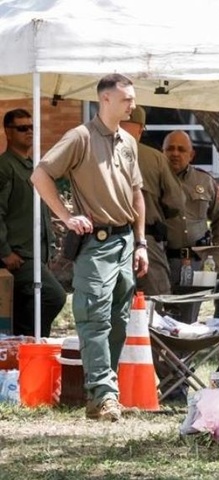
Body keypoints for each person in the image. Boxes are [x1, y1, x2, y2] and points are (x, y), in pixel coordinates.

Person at [31, 73, 148, 422]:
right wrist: (66, 216)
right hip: (95, 243)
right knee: (93, 317)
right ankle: (103, 394)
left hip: (126, 240)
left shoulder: (128, 141)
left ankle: (103, 393)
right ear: (106, 99)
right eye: (127, 98)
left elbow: (136, 194)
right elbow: (40, 175)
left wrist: (140, 242)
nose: (133, 104)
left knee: (118, 320)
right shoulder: (80, 137)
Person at [0, 109, 66, 337]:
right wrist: (5, 251)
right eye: (22, 128)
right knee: (54, 296)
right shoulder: (5, 167)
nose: (29, 132)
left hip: (37, 254)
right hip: (18, 256)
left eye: (31, 127)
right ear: (8, 132)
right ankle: (30, 343)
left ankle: (23, 353)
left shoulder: (32, 167)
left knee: (23, 308)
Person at [119, 106, 185, 296]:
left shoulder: (98, 151)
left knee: (113, 302)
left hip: (105, 240)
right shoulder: (155, 158)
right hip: (145, 240)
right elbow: (176, 202)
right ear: (141, 129)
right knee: (157, 299)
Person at [162, 130, 219, 290]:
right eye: (170, 149)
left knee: (190, 312)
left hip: (197, 262)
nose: (175, 153)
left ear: (191, 155)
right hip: (161, 261)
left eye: (181, 149)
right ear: (162, 152)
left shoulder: (204, 181)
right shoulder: (154, 180)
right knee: (158, 313)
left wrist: (216, 257)